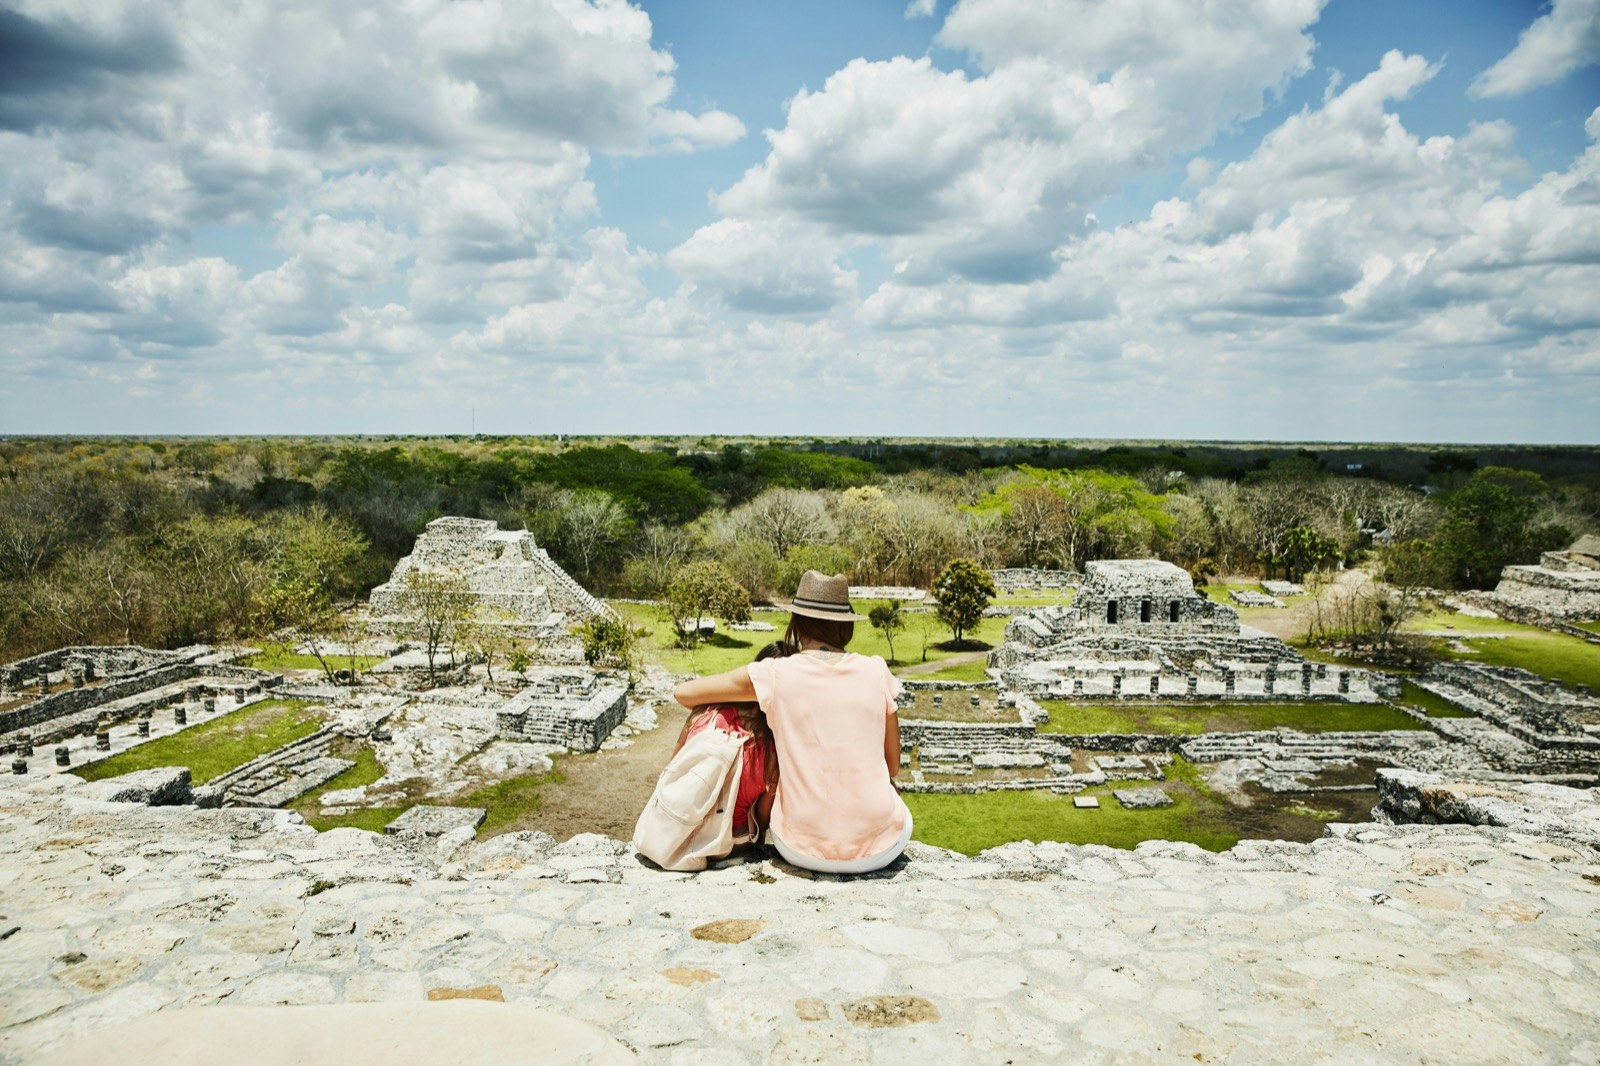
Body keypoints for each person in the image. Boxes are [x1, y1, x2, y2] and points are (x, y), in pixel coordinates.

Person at [673, 570, 911, 874]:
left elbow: (684, 693)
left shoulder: (776, 674)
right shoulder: (876, 671)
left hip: (799, 847)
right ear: (844, 626)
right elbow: (892, 767)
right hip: (882, 849)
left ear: (797, 623)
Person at [670, 642, 784, 842]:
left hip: (679, 830)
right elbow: (763, 820)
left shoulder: (704, 714)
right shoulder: (775, 750)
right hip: (729, 842)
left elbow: (673, 768)